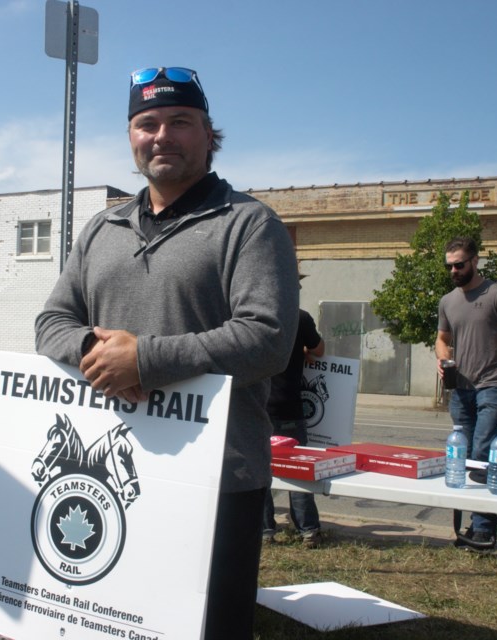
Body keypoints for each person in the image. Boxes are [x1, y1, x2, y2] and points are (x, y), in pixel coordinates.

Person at [34, 66, 299, 640]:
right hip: (113, 473)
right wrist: (92, 350)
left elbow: (268, 340)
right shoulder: (102, 229)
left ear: (209, 134)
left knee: (207, 625)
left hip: (216, 476)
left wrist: (146, 360)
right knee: (112, 618)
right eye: (146, 123)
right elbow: (51, 321)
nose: (162, 136)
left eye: (180, 122)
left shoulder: (249, 225)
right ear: (131, 137)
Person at [435, 237, 497, 550]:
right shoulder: (448, 301)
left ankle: (484, 530)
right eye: (449, 266)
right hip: (461, 390)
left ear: (475, 261)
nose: (454, 270)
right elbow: (441, 338)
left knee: (483, 454)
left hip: (493, 385)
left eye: (459, 264)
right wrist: (443, 356)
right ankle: (469, 529)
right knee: (461, 460)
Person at [263, 306, 325, 548]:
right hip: (290, 408)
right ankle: (308, 531)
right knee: (298, 471)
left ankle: (265, 531)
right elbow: (320, 350)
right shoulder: (299, 317)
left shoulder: (254, 315)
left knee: (261, 471)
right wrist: (302, 350)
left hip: (260, 408)